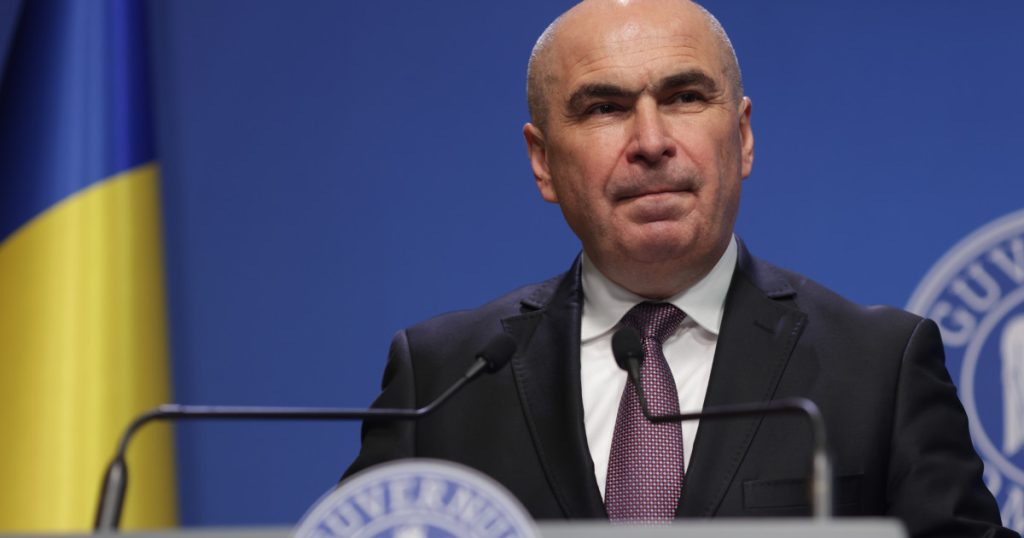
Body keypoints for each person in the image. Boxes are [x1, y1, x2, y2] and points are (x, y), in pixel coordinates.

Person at [345, 0, 1018, 535]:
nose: (651, 141)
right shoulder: (443, 379)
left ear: (743, 136)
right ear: (543, 161)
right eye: (604, 108)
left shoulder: (879, 367)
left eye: (685, 97)